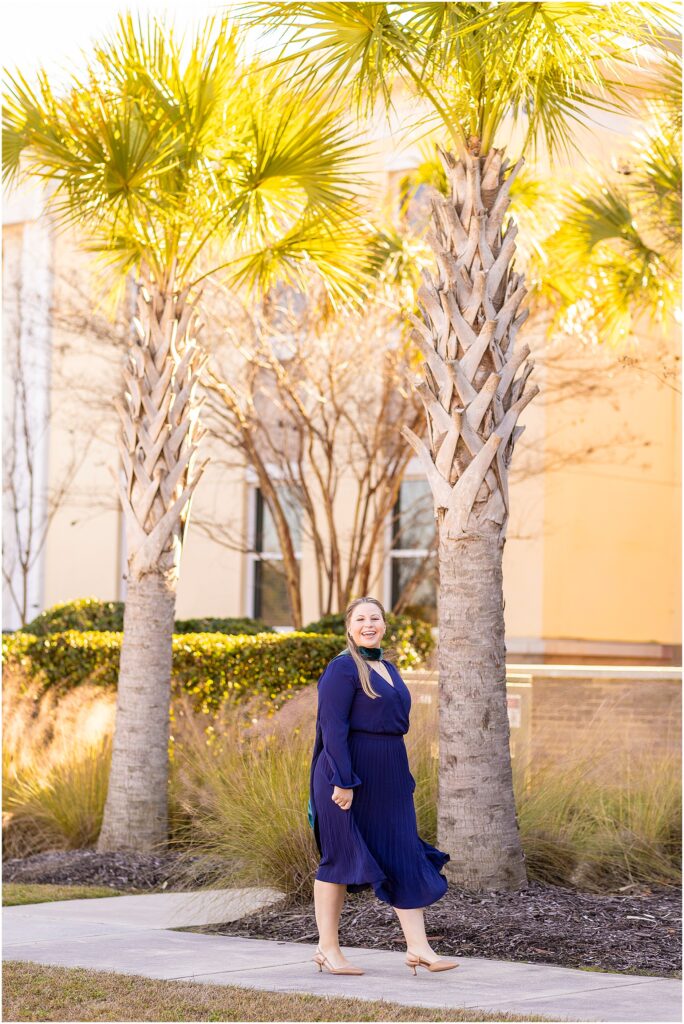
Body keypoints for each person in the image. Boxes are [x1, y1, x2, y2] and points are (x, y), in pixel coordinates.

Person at [308, 596, 459, 976]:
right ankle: (327, 950)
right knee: (340, 859)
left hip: (389, 771)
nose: (369, 624)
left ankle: (419, 948)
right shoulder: (342, 669)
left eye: (375, 617)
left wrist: (402, 776)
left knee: (404, 853)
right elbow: (333, 728)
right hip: (347, 774)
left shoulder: (389, 668)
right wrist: (343, 781)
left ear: (384, 625)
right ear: (349, 626)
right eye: (361, 618)